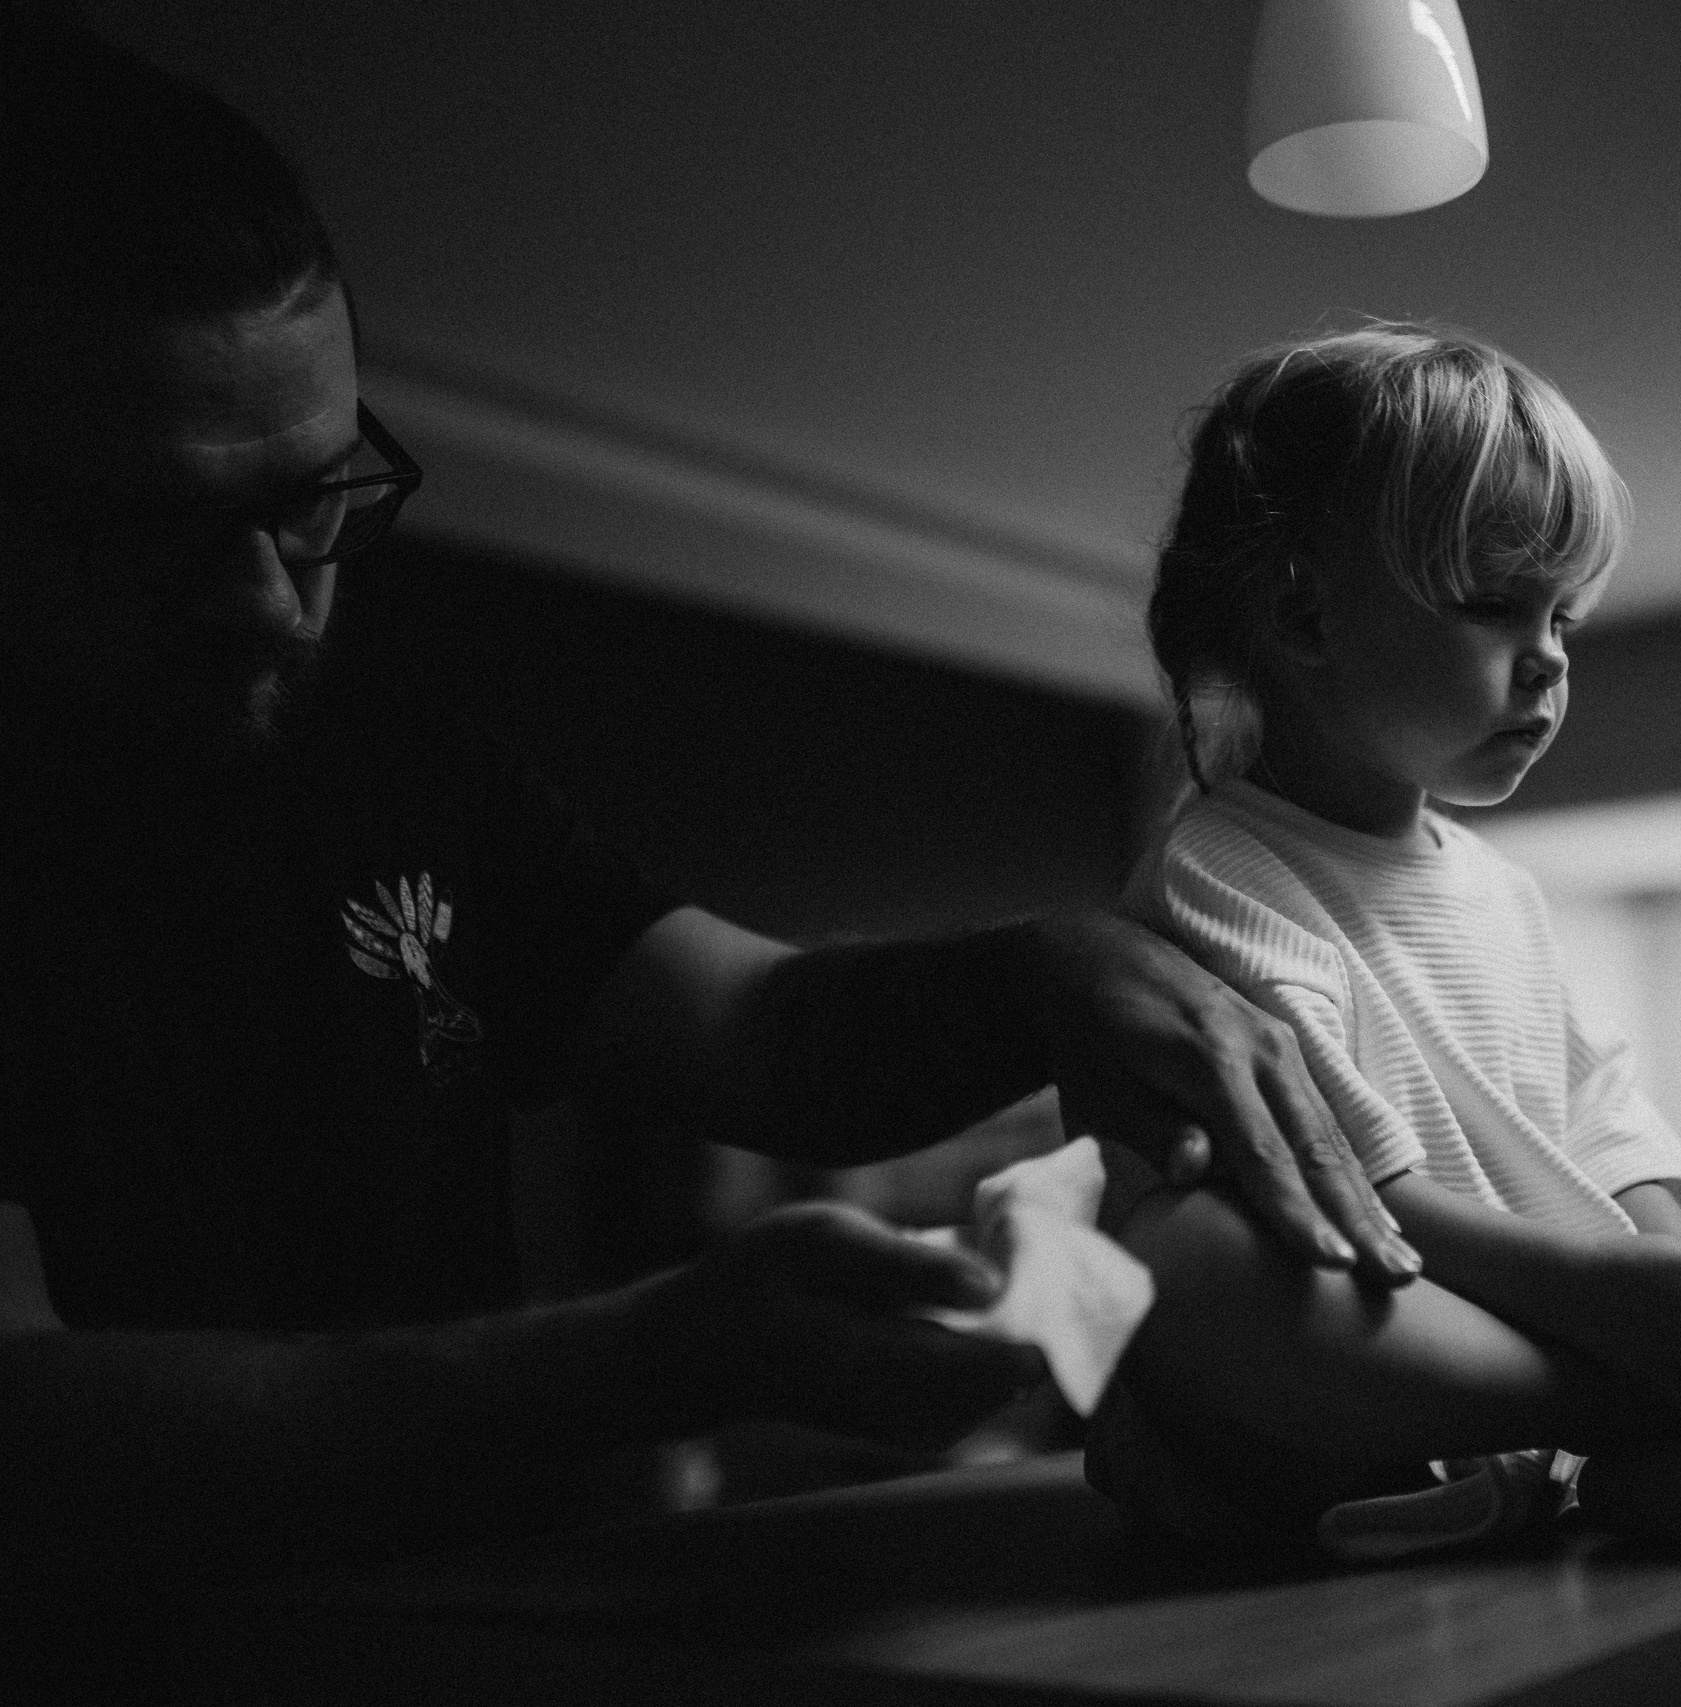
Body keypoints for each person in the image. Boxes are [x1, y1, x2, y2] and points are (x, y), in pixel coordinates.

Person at [0, 25, 1422, 1595]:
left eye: (314, 499)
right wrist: (651, 1356)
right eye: (162, 532)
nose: (276, 605)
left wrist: (1043, 970)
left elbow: (755, 1028)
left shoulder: (390, 755)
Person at [1090, 327, 1681, 1558]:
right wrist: (1612, 1308)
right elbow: (1346, 1188)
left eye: (1566, 619)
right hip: (1343, 1395)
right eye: (1493, 607)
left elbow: (1596, 1121)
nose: (1547, 662)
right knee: (1195, 1266)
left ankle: (1633, 1467)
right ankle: (1643, 1428)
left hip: (1541, 1350)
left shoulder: (1502, 894)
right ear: (1301, 612)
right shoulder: (1222, 868)